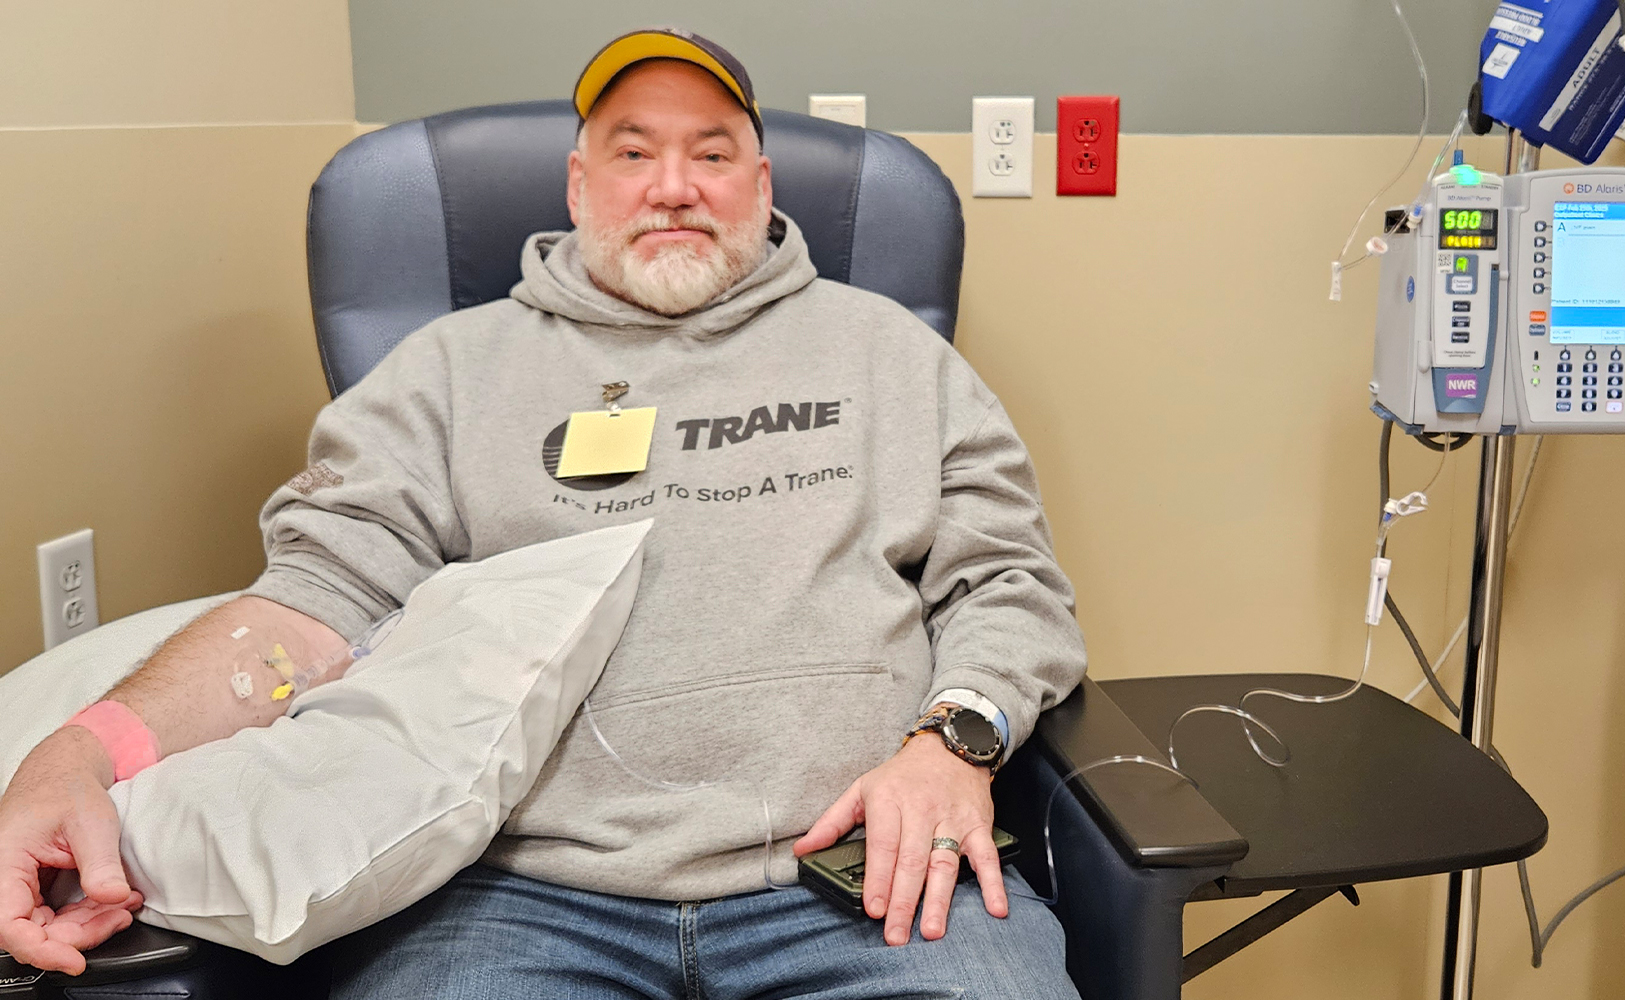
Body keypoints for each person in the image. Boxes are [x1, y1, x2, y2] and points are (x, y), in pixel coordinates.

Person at [0, 27, 1088, 998]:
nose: (674, 186)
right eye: (632, 151)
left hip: (864, 881)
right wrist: (79, 754)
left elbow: (1008, 581)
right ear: (576, 186)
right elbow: (305, 609)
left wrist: (957, 743)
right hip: (520, 902)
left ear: (761, 185)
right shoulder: (447, 376)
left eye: (711, 154)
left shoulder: (891, 354)